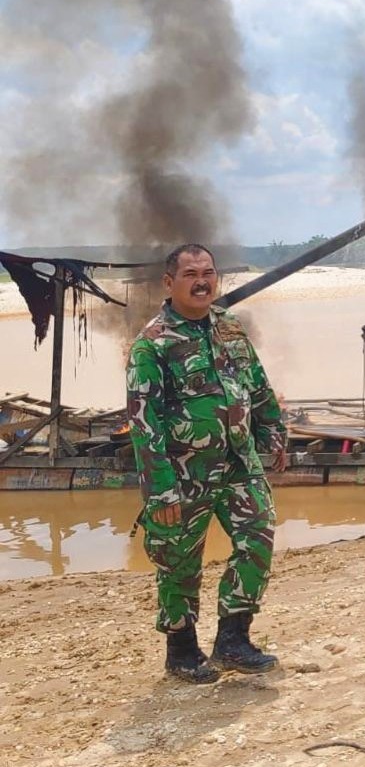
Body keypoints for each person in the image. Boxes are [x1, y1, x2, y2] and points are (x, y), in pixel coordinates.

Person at [127, 244, 288, 684]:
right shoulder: (153, 344)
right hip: (183, 475)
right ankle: (181, 651)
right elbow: (145, 424)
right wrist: (159, 491)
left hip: (239, 464)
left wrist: (272, 434)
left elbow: (258, 389)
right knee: (180, 563)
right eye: (191, 273)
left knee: (258, 540)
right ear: (169, 282)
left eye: (209, 272)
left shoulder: (229, 328)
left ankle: (233, 640)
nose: (202, 281)